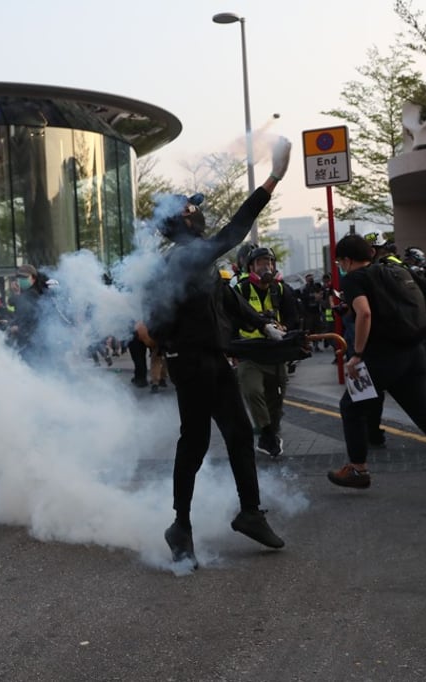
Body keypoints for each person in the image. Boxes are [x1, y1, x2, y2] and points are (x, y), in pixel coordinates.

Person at [141, 136, 292, 568]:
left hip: (210, 360)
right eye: (190, 210)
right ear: (180, 224)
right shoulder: (184, 258)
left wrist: (264, 324)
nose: (197, 213)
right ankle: (180, 526)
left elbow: (226, 301)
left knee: (238, 435)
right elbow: (236, 229)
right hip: (191, 364)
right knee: (195, 443)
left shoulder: (197, 263)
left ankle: (248, 513)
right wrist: (273, 180)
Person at [326, 234, 426, 502]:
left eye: (341, 262)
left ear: (346, 259)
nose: (341, 267)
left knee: (351, 406)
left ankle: (358, 469)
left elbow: (365, 313)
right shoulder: (392, 271)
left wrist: (356, 355)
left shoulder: (354, 278)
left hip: (381, 357)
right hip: (414, 353)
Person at [233, 246, 301, 457]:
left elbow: (293, 318)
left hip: (276, 352)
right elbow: (231, 318)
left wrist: (285, 329)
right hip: (249, 352)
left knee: (276, 399)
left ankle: (269, 434)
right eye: (262, 262)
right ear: (251, 266)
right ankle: (266, 432)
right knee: (253, 391)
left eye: (270, 262)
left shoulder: (281, 289)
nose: (267, 266)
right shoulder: (241, 290)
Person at [8, 263, 48, 364]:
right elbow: (17, 308)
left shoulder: (33, 293)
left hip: (32, 340)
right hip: (27, 338)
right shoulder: (24, 293)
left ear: (33, 279)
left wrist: (19, 328)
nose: (21, 279)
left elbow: (31, 317)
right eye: (19, 277)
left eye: (24, 277)